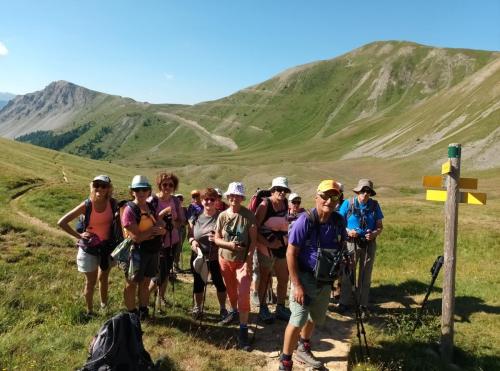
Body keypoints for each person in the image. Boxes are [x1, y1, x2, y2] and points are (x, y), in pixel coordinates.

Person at [279, 180, 347, 370]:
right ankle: (285, 360)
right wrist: (297, 284)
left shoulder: (339, 221)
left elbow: (341, 246)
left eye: (334, 196)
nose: (329, 200)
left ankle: (303, 347)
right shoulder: (305, 220)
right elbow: (290, 253)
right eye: (325, 196)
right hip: (304, 276)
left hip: (325, 279)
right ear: (317, 197)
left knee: (315, 317)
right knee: (298, 318)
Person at [58, 175, 118, 315]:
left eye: (104, 186)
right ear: (92, 186)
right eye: (97, 184)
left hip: (106, 248)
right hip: (89, 248)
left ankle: (104, 306)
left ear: (109, 188)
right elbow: (62, 222)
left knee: (104, 278)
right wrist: (79, 236)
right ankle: (90, 311)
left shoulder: (113, 203)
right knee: (90, 282)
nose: (100, 188)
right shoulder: (87, 205)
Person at [214, 181, 257, 351]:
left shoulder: (249, 215)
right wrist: (229, 245)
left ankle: (243, 329)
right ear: (228, 196)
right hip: (225, 259)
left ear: (241, 197)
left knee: (244, 293)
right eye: (232, 195)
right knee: (231, 292)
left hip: (242, 262)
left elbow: (253, 242)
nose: (234, 198)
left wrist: (248, 261)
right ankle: (234, 312)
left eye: (237, 195)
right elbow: (217, 239)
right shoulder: (223, 216)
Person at [121, 175, 166, 320]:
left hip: (151, 250)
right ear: (132, 191)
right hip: (136, 252)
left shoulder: (150, 206)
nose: (141, 192)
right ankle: (131, 312)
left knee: (146, 282)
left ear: (149, 191)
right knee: (132, 283)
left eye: (144, 189)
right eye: (137, 189)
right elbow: (136, 237)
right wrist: (154, 231)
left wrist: (162, 230)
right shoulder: (129, 210)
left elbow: (160, 224)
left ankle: (143, 309)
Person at [337, 179, 383, 318]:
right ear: (358, 191)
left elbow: (380, 226)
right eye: (363, 191)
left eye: (368, 191)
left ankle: (362, 304)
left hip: (369, 244)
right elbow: (339, 223)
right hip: (351, 242)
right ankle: (344, 302)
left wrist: (374, 233)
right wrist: (348, 231)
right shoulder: (348, 204)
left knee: (365, 274)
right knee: (348, 272)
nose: (365, 194)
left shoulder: (374, 205)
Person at [255, 177, 292, 323]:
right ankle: (263, 308)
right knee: (265, 278)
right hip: (266, 247)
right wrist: (268, 244)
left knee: (283, 278)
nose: (282, 192)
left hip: (281, 245)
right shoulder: (265, 205)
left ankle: (280, 307)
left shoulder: (284, 203)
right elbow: (255, 228)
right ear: (273, 190)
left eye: (285, 190)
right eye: (279, 189)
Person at [187, 188, 228, 320]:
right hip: (199, 255)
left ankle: (223, 308)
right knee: (198, 283)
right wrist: (192, 241)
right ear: (202, 200)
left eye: (212, 199)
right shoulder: (196, 217)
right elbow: (190, 235)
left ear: (217, 201)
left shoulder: (222, 216)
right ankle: (198, 308)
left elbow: (228, 236)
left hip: (216, 256)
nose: (209, 201)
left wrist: (218, 239)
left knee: (219, 282)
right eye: (206, 199)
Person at [148, 172, 185, 306]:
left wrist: (173, 224)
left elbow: (180, 221)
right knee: (159, 274)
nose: (167, 187)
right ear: (160, 185)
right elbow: (148, 221)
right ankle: (144, 299)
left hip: (172, 241)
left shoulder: (175, 201)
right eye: (165, 184)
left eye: (171, 185)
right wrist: (162, 216)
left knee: (166, 271)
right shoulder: (152, 200)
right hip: (157, 242)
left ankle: (161, 298)